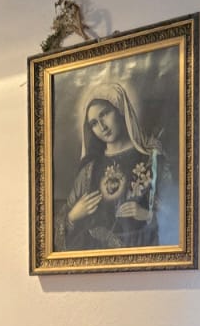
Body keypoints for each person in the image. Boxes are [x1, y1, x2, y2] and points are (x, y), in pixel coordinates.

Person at [56, 84, 168, 251]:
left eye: (104, 114)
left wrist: (147, 214)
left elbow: (175, 214)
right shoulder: (89, 170)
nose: (102, 127)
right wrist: (73, 215)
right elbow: (58, 229)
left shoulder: (152, 159)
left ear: (120, 110)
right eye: (94, 123)